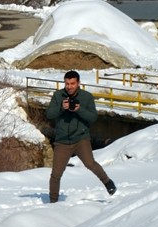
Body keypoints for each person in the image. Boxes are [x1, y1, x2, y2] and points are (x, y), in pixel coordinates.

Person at [45, 70, 116, 204]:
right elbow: (49, 114)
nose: (69, 86)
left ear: (78, 83)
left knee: (90, 164)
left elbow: (93, 117)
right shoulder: (58, 96)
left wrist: (79, 109)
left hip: (81, 139)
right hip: (62, 141)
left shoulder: (87, 97)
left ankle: (108, 183)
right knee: (56, 174)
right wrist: (61, 107)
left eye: (72, 83)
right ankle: (52, 202)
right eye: (67, 84)